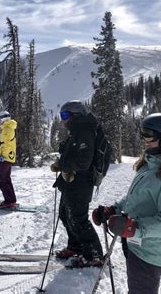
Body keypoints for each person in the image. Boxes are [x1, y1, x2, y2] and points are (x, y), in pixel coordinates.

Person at [92, 113, 161, 294]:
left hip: (149, 254)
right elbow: (136, 199)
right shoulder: (151, 164)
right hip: (135, 245)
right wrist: (113, 209)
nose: (144, 140)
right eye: (143, 134)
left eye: (149, 135)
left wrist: (134, 228)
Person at [50, 100, 104, 267]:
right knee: (66, 215)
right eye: (61, 115)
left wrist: (63, 166)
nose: (63, 119)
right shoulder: (76, 131)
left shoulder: (84, 132)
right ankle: (76, 247)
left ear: (76, 115)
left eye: (65, 115)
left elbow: (83, 162)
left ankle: (94, 255)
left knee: (78, 219)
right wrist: (61, 163)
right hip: (71, 182)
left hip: (81, 183)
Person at [0, 110, 18, 209]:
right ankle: (11, 200)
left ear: (3, 118)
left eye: (0, 119)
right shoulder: (8, 128)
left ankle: (9, 201)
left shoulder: (7, 129)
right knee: (6, 179)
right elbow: (4, 144)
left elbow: (7, 145)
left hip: (6, 158)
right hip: (8, 157)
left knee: (1, 179)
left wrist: (2, 155)